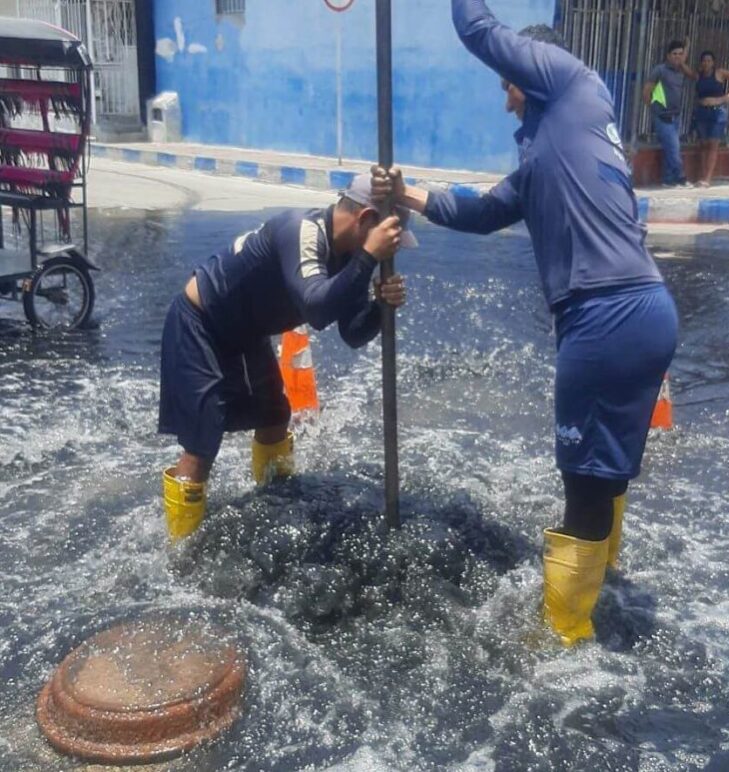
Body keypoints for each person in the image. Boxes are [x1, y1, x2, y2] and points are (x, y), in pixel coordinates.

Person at [372, 1, 678, 647]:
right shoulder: (556, 147)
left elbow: (477, 28)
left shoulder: (571, 82)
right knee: (606, 474)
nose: (506, 100)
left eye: (508, 84)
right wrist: (406, 194)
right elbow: (481, 212)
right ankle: (602, 592)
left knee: (585, 484)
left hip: (607, 314)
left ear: (532, 71)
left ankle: (565, 638)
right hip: (642, 308)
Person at [159, 175, 416, 540]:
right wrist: (368, 257)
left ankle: (274, 505)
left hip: (246, 332)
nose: (391, 252)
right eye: (389, 241)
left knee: (275, 415)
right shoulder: (302, 231)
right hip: (201, 322)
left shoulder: (352, 255)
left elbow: (352, 332)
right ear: (365, 220)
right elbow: (317, 307)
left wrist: (379, 307)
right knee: (203, 442)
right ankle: (180, 547)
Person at [643, 39, 698, 188]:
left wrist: (683, 61)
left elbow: (694, 76)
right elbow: (647, 91)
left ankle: (668, 180)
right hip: (663, 117)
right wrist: (655, 109)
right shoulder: (659, 70)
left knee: (669, 148)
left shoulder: (681, 71)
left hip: (676, 117)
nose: (677, 57)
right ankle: (681, 178)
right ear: (668, 55)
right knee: (674, 149)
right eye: (674, 54)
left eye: (680, 54)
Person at [694, 51, 729, 188]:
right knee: (703, 145)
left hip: (717, 113)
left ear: (713, 62)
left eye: (709, 60)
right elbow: (683, 68)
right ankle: (702, 176)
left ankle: (708, 178)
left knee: (713, 145)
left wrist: (727, 97)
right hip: (702, 112)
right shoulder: (698, 75)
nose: (706, 63)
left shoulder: (719, 73)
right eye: (704, 60)